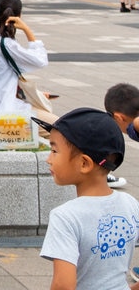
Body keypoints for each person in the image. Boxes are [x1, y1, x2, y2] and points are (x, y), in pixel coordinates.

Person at [33, 108, 139, 290]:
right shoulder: (130, 203)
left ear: (84, 163)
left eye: (54, 151)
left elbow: (63, 285)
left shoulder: (65, 216)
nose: (48, 159)